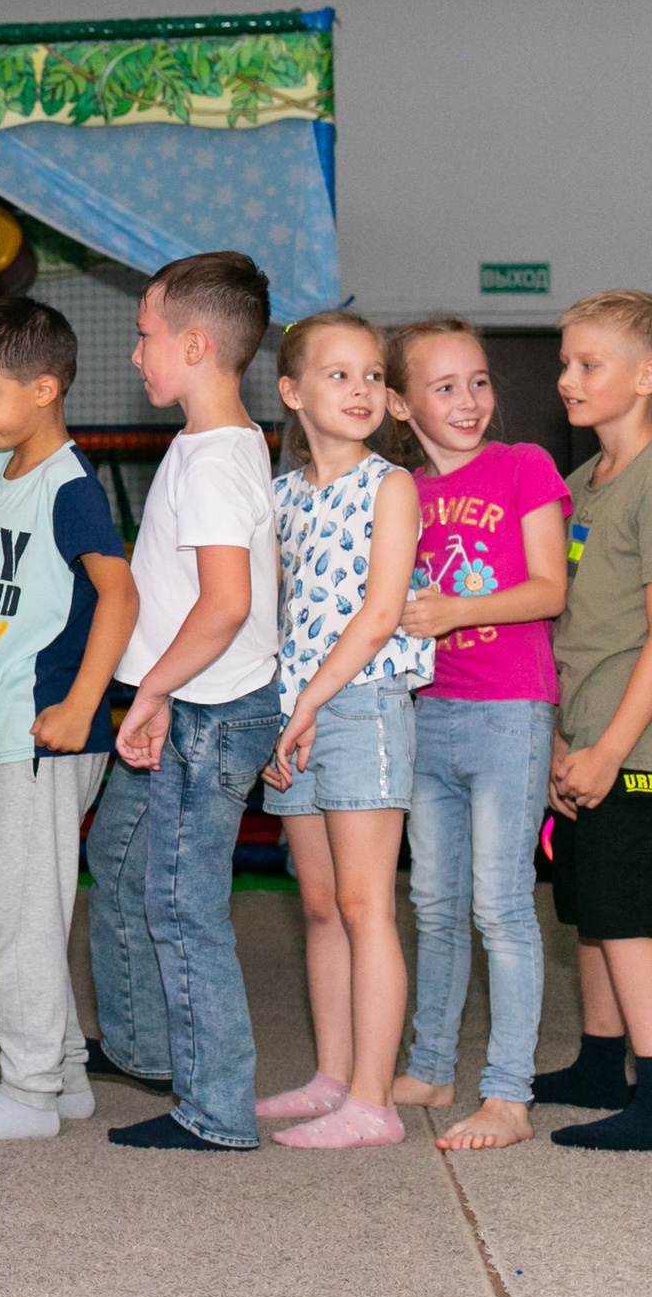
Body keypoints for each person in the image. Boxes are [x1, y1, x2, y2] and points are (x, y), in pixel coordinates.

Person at [0, 298, 138, 1143]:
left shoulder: (70, 487)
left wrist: (82, 704)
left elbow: (119, 595)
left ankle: (29, 1092)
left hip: (46, 728)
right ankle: (67, 1075)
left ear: (45, 389)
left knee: (15, 911)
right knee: (13, 905)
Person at [103, 251, 283, 1154]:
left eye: (146, 335)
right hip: (192, 701)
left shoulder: (215, 461)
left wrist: (156, 690)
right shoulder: (216, 443)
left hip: (207, 712)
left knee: (182, 907)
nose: (136, 353)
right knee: (122, 859)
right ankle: (148, 1046)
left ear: (198, 344)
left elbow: (226, 605)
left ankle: (217, 1109)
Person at [530, 289, 652, 1153]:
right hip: (584, 733)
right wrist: (563, 739)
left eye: (588, 364)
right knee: (591, 911)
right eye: (565, 362)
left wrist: (610, 748)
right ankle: (602, 1063)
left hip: (635, 743)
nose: (568, 378)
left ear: (649, 377)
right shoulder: (580, 486)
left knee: (629, 916)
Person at [382, 319, 571, 1152]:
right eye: (445, 387)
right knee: (433, 901)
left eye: (480, 381)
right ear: (400, 404)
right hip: (427, 713)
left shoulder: (523, 465)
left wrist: (457, 610)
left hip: (508, 710)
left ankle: (508, 1094)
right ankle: (430, 1066)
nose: (469, 401)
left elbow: (548, 589)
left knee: (501, 904)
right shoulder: (400, 492)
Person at [254, 312, 432, 1149]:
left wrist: (310, 702)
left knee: (366, 906)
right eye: (339, 374)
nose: (361, 390)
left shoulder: (389, 486)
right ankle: (332, 1077)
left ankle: (373, 1099)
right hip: (295, 715)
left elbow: (381, 612)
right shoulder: (281, 495)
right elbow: (275, 611)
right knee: (321, 905)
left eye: (373, 375)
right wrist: (279, 712)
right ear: (292, 392)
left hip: (360, 706)